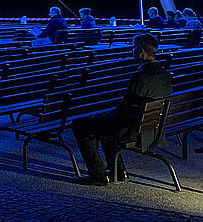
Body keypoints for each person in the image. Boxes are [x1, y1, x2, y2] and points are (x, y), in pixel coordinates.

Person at [72, 34, 173, 185]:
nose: (132, 51)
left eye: (134, 48)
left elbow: (124, 110)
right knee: (105, 123)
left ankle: (98, 174)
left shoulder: (140, 76)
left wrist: (104, 116)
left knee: (79, 125)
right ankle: (119, 172)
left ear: (141, 52)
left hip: (132, 129)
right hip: (151, 127)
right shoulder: (165, 74)